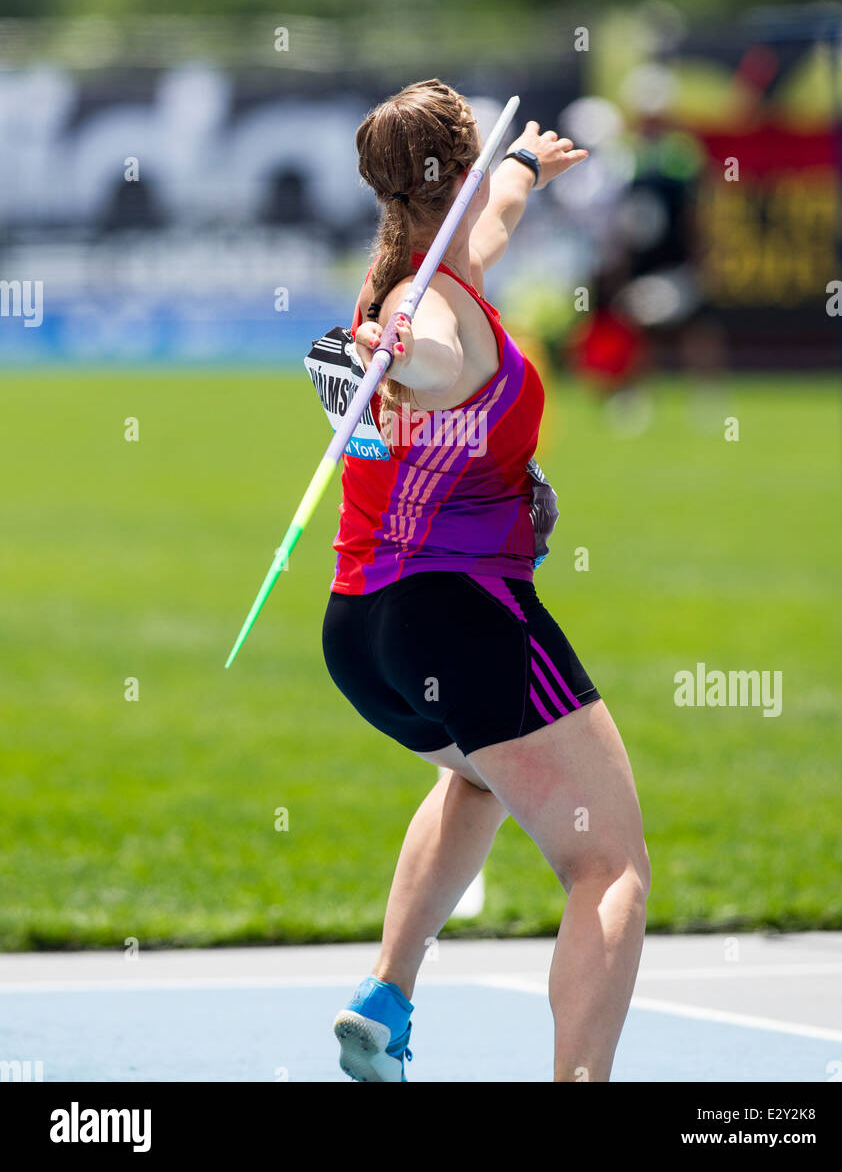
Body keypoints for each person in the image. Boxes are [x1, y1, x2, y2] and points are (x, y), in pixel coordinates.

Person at [321, 78, 650, 1082]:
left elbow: (492, 219)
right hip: (461, 621)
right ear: (451, 175)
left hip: (364, 636)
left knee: (474, 770)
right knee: (609, 865)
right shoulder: (423, 312)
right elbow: (421, 352)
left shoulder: (433, 265)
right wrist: (380, 350)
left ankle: (385, 994)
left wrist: (521, 168)